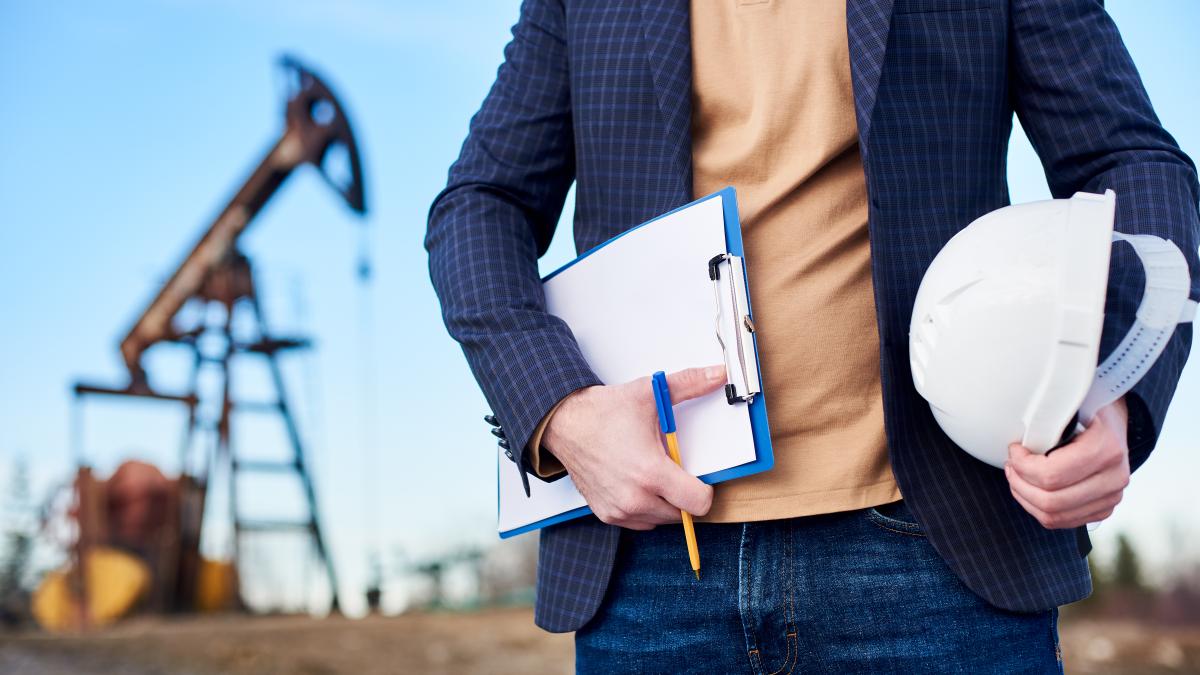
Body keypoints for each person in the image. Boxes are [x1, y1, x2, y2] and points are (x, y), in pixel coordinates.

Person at [425, 1, 1199, 672]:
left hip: (939, 549)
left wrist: (1114, 391)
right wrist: (561, 409)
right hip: (653, 563)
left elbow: (1129, 160)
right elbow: (480, 203)